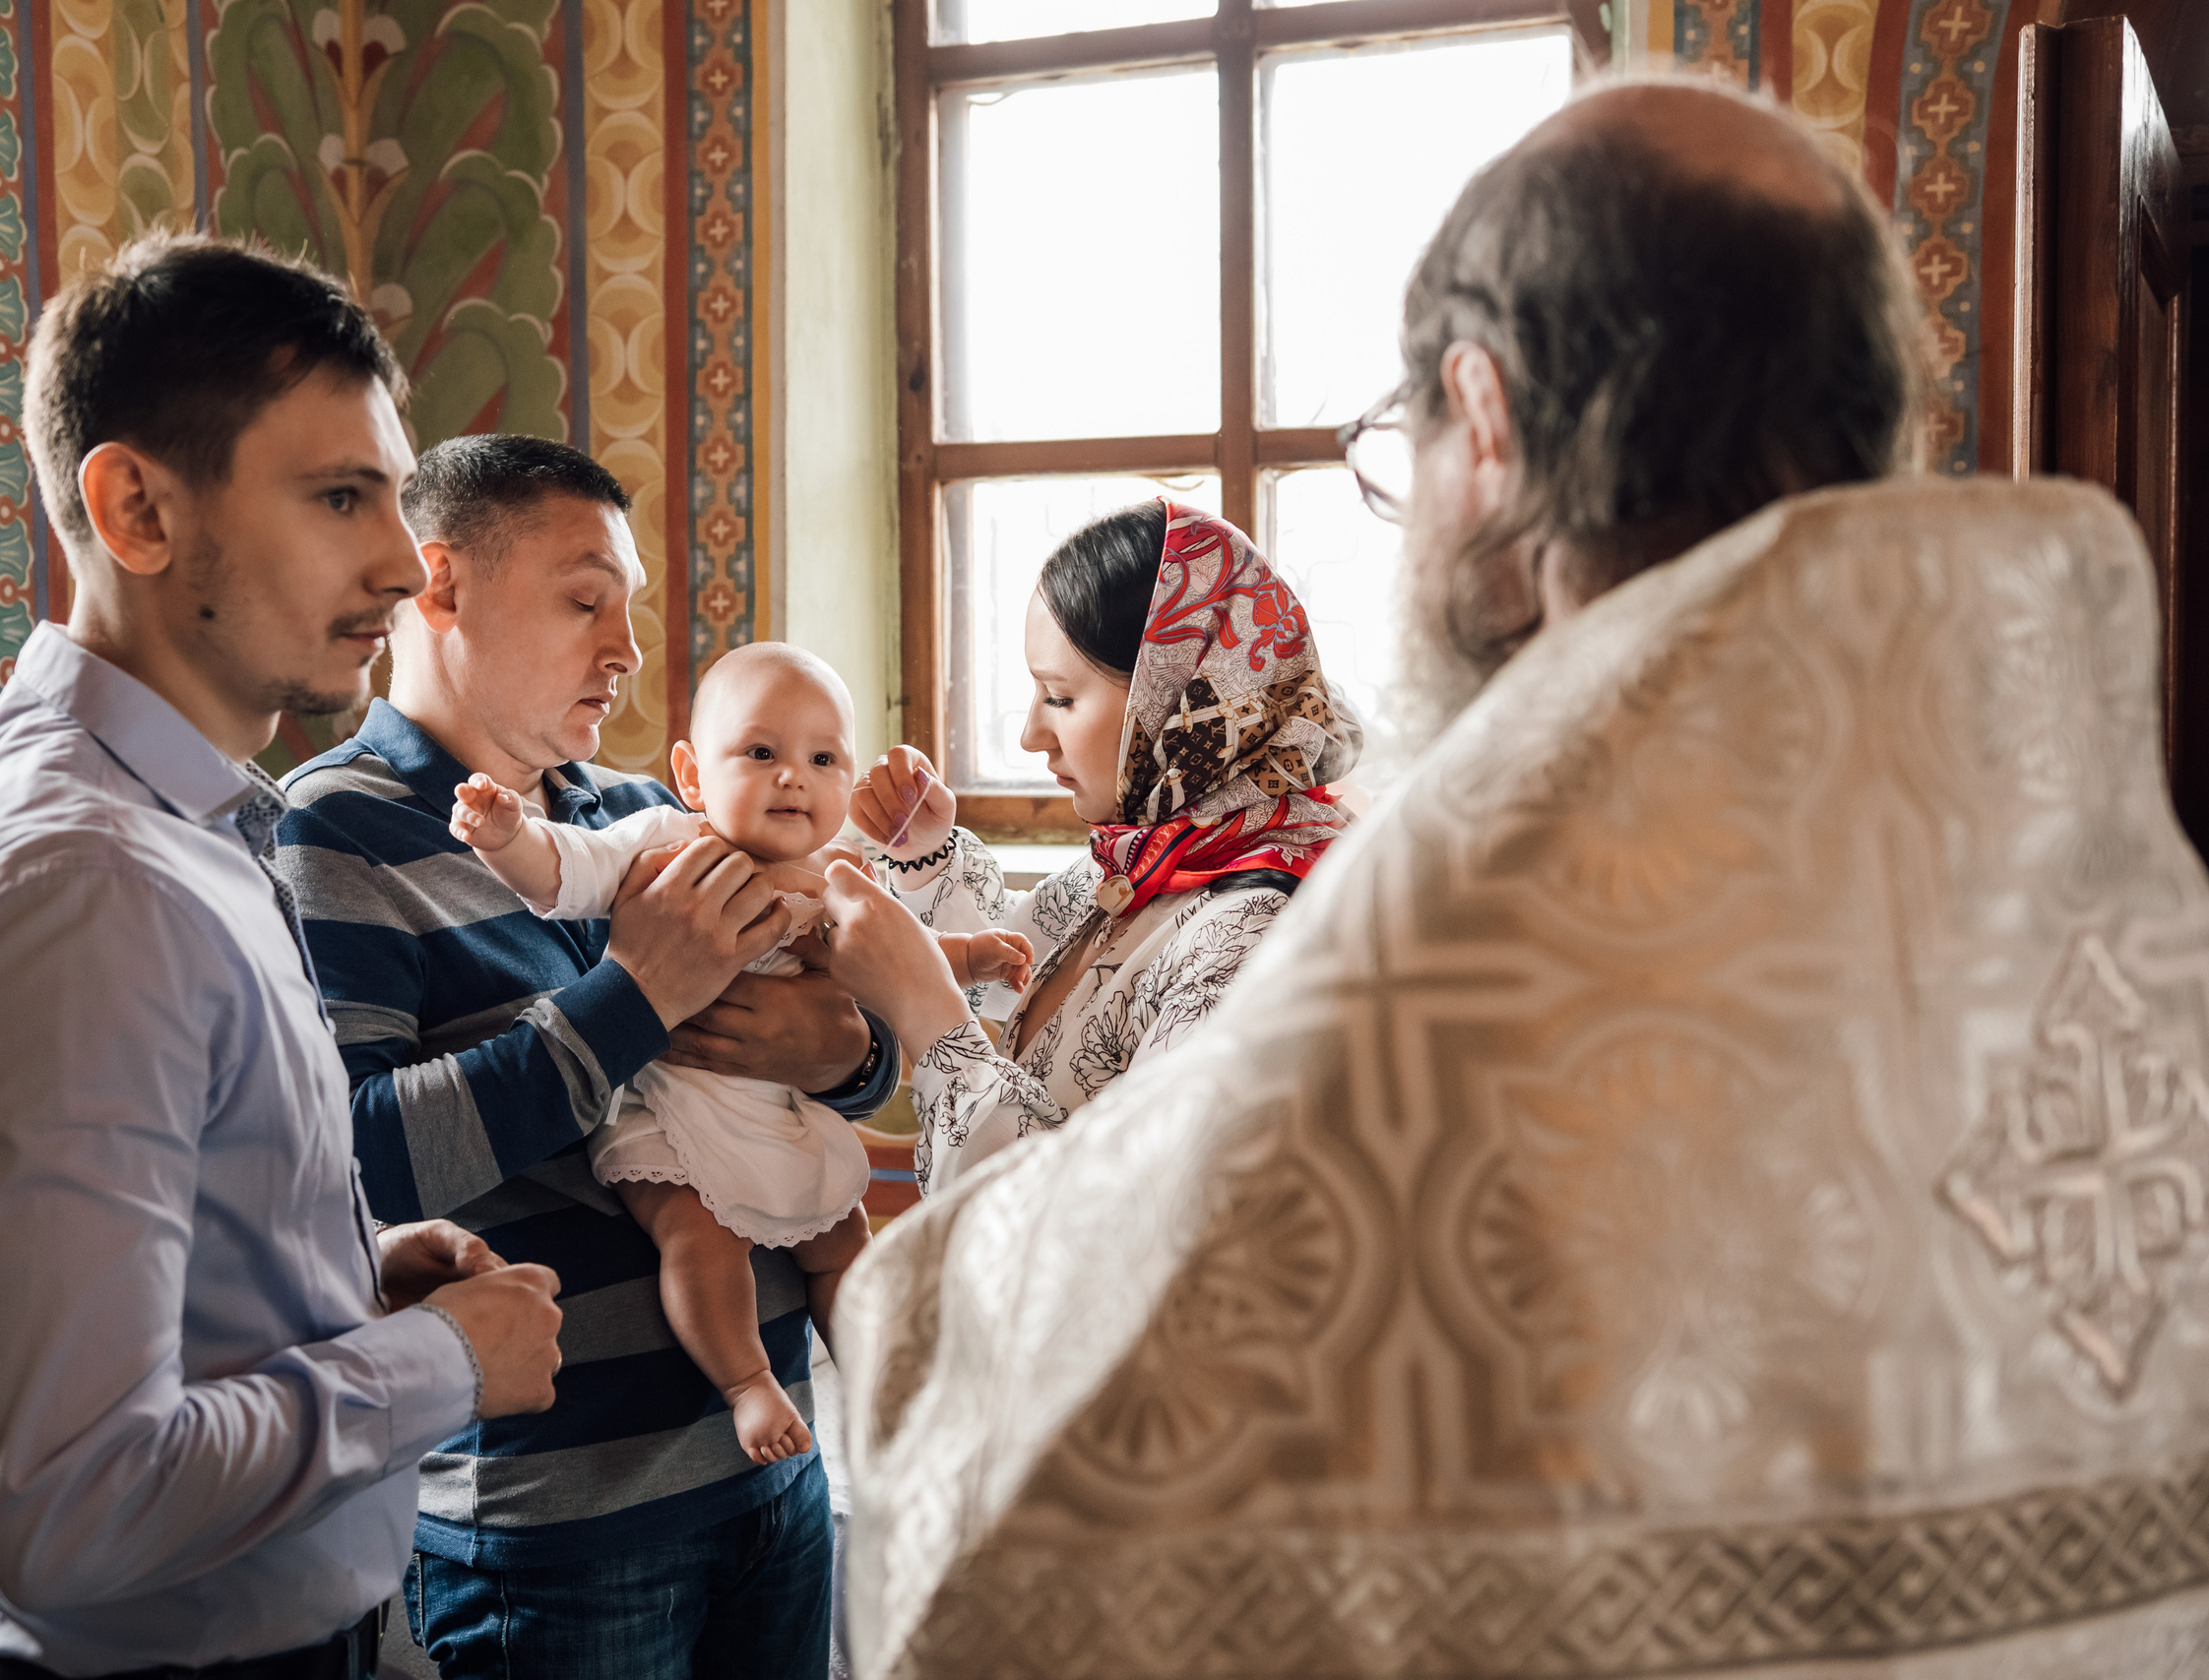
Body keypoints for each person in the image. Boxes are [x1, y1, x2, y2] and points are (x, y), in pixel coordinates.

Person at [834, 78, 2209, 1678]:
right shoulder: (2097, 877)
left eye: (1398, 449)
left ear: (1482, 417)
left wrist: (928, 1055)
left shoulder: (1449, 941)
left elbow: (1034, 1432)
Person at [0, 233, 566, 1677]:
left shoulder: (171, 822)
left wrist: (334, 1277)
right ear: (137, 508)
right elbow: (66, 1499)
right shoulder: (82, 885)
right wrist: (440, 1364)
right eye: (341, 495)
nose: (402, 562)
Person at [275, 436, 903, 1678]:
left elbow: (836, 1021)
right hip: (560, 1527)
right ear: (439, 585)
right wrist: (635, 997)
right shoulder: (331, 826)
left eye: (628, 609)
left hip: (773, 1460)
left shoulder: (635, 815)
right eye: (583, 601)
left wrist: (847, 1054)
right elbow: (356, 1168)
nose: (623, 648)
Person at [451, 644, 1031, 1466]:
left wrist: (969, 955)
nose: (792, 776)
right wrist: (508, 836)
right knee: (696, 1238)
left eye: (822, 758)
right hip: (673, 1110)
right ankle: (748, 1382)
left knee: (843, 1240)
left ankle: (881, 1385)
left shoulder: (837, 874)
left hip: (777, 1110)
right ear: (691, 773)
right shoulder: (665, 838)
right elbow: (565, 871)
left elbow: (903, 948)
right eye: (761, 752)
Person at [817, 500, 1351, 1197]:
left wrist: (929, 1019)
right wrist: (925, 852)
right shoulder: (1160, 856)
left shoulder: (1261, 935)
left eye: (1060, 697)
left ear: (1180, 700)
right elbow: (1012, 958)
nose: (1030, 735)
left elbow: (1103, 1230)